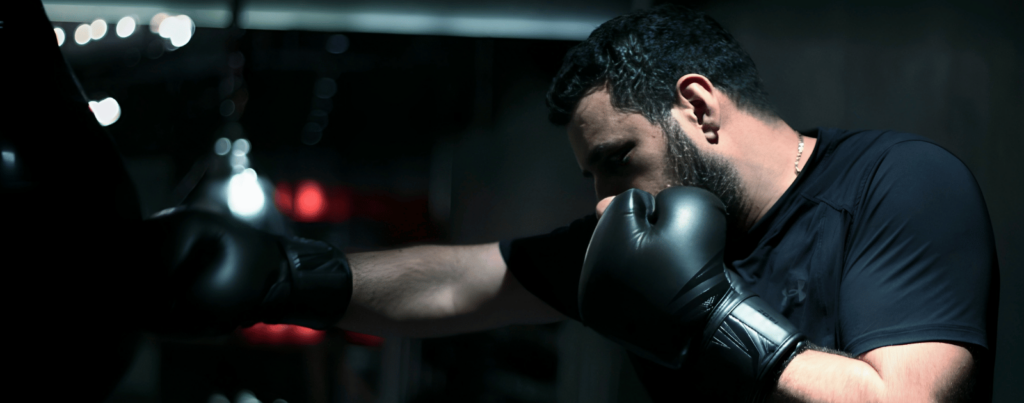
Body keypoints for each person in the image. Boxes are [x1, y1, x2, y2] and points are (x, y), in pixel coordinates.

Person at [5, 2, 997, 402]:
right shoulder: (642, 230)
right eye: (593, 178)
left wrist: (711, 315)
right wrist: (285, 277)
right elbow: (461, 282)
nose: (608, 201)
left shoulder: (894, 183)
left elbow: (902, 398)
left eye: (618, 160)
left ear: (697, 106)